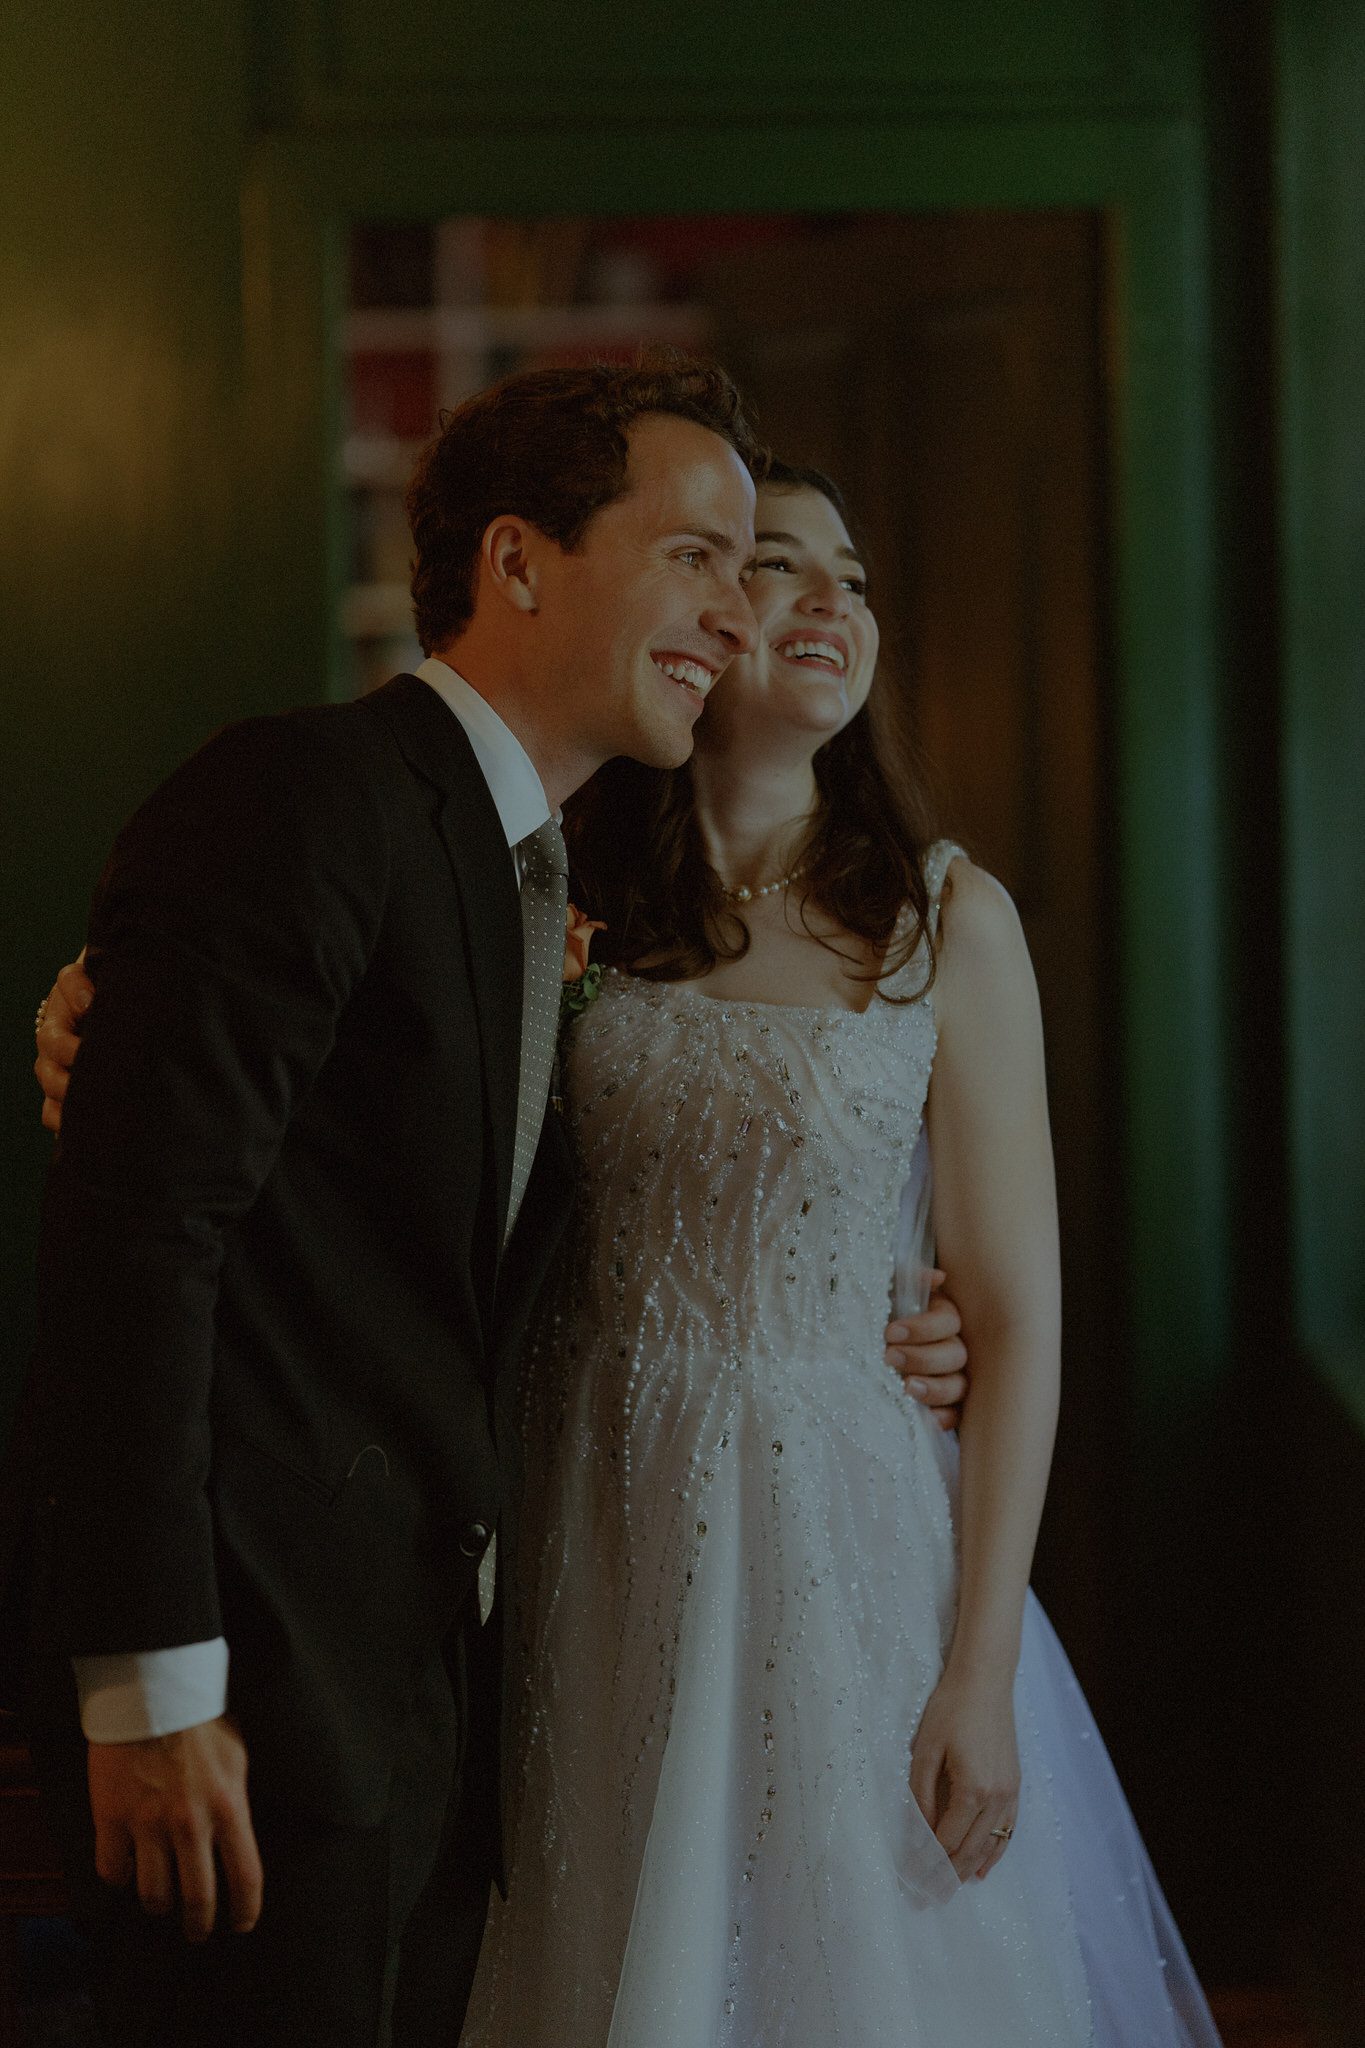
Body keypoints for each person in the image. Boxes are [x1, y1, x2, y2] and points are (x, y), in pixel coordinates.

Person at [14, 370, 969, 2048]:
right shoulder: (305, 797)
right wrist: (149, 1689)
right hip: (250, 1693)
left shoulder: (550, 873)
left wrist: (897, 1307)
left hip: (446, 1703)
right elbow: (135, 1245)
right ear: (519, 565)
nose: (734, 614)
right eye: (695, 555)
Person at [448, 462, 1223, 2045]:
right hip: (588, 1502)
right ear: (699, 625)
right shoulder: (560, 896)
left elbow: (1010, 1318)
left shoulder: (944, 922)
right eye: (775, 570)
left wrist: (981, 1669)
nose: (827, 606)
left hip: (842, 1533)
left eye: (852, 580)